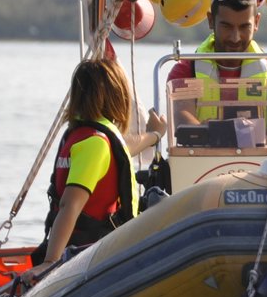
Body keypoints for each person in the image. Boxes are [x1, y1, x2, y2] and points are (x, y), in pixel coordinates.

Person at [25, 56, 167, 279]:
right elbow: (70, 204)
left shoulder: (84, 136)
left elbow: (123, 147)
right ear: (116, 97)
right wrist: (50, 263)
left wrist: (154, 134)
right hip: (91, 254)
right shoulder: (96, 143)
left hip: (89, 248)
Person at [166, 0, 267, 145]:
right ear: (211, 20)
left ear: (257, 22)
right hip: (202, 167)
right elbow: (185, 125)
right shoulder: (185, 72)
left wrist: (215, 131)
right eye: (226, 26)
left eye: (244, 27)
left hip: (259, 168)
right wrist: (244, 135)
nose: (235, 37)